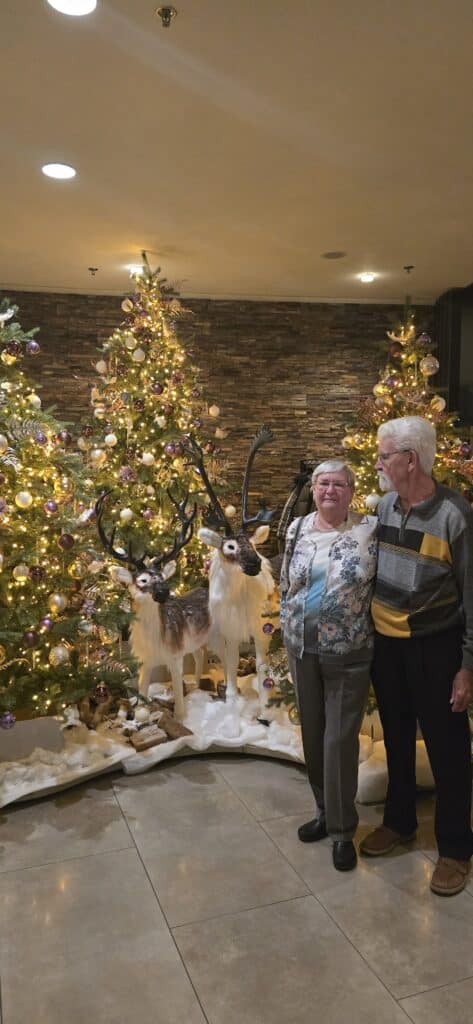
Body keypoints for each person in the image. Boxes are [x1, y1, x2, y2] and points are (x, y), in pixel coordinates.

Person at [360, 415, 473, 896]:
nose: (378, 463)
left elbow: (471, 594)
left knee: (448, 749)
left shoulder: (454, 514)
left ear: (410, 460)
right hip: (387, 646)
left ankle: (455, 848)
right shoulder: (386, 505)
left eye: (384, 456)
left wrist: (467, 666)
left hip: (436, 647)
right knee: (397, 736)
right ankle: (400, 821)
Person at [280, 460, 377, 871]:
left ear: (351, 491)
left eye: (339, 484)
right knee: (313, 734)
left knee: (338, 740)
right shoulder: (297, 529)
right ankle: (323, 811)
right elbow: (286, 580)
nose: (330, 491)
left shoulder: (369, 529)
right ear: (314, 489)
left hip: (348, 652)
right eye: (323, 484)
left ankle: (342, 831)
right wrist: (285, 621)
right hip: (302, 648)